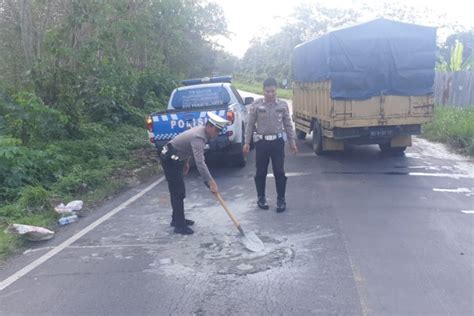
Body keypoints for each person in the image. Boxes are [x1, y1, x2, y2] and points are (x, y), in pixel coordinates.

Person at [159, 112, 229, 235]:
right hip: (169, 159)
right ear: (209, 127)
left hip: (175, 157)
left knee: (177, 191)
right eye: (217, 131)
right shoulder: (199, 137)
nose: (217, 134)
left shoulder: (203, 132)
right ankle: (179, 226)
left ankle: (177, 219)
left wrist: (186, 163)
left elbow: (188, 149)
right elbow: (200, 163)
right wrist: (210, 181)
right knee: (178, 192)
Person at [243, 78, 298, 213]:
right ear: (263, 91)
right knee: (260, 171)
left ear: (276, 90)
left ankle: (281, 199)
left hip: (277, 143)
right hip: (261, 143)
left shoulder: (283, 105)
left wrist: (292, 142)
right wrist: (246, 142)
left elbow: (288, 125)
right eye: (267, 91)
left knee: (279, 172)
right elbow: (250, 125)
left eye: (273, 91)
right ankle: (261, 198)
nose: (270, 94)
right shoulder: (256, 106)